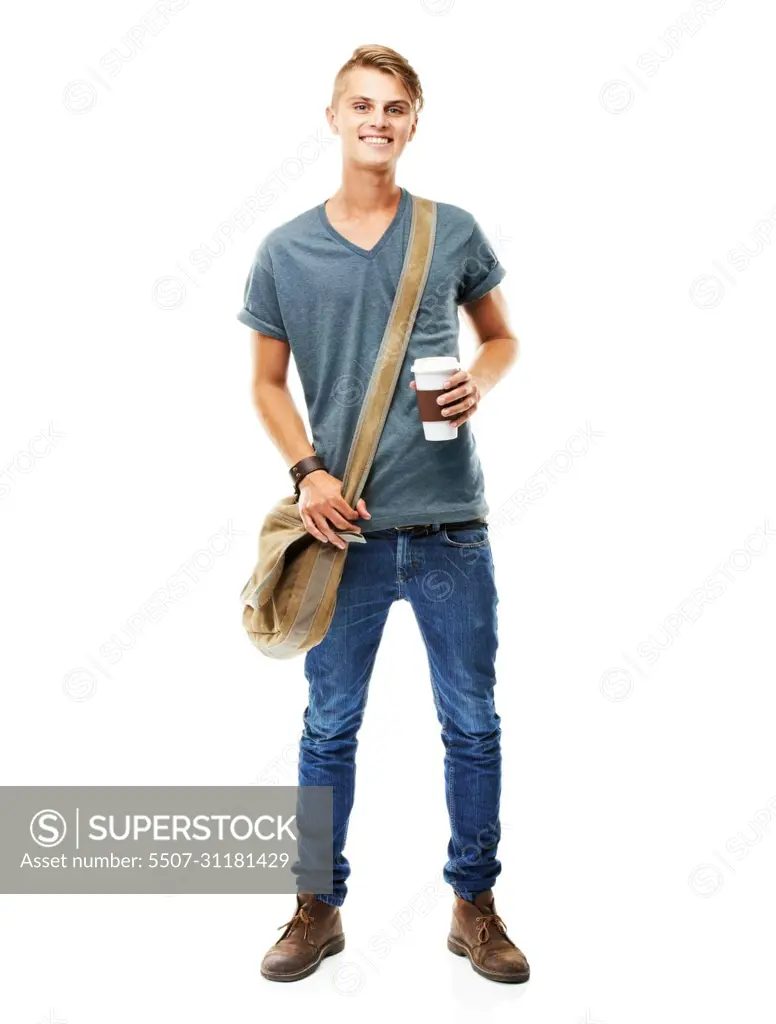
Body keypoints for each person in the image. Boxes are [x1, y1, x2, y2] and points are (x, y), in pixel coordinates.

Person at [236, 44, 528, 985]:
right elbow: (267, 384)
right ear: (333, 118)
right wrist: (308, 472)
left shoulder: (453, 232)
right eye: (361, 104)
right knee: (328, 725)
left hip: (452, 528)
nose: (378, 119)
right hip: (343, 530)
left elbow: (502, 335)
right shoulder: (285, 249)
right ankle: (317, 907)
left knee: (473, 722)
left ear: (413, 122)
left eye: (395, 107)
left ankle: (473, 906)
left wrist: (480, 382)